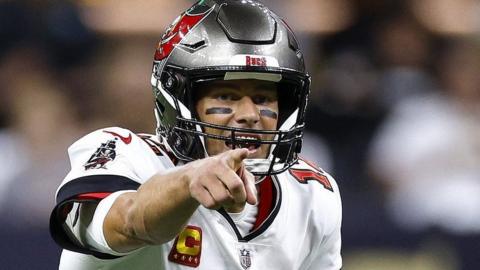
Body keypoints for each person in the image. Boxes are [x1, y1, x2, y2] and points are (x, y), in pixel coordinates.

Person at [49, 0, 342, 269]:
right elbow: (127, 222)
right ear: (180, 100)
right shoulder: (124, 154)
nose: (250, 115)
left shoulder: (312, 195)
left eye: (264, 99)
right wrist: (188, 182)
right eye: (226, 96)